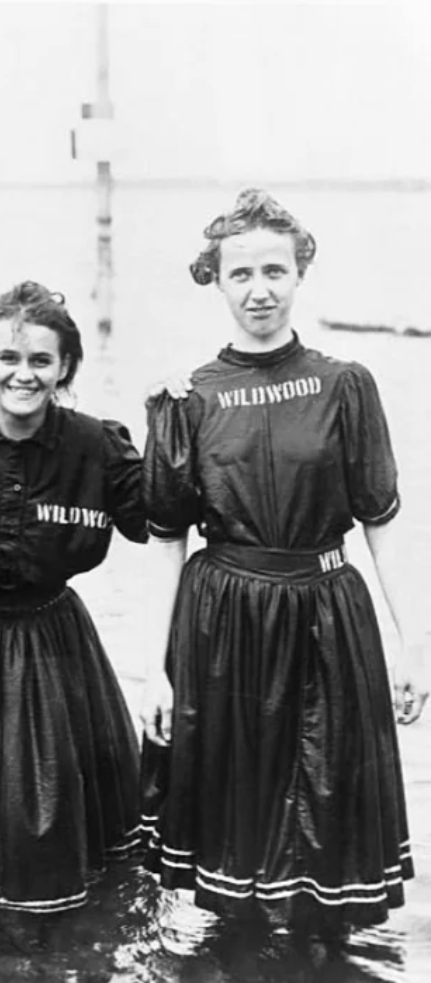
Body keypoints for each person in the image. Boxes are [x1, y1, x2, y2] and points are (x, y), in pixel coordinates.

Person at [139, 189, 427, 937]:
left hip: (327, 611)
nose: (259, 289)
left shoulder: (345, 385)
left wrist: (416, 646)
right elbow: (168, 537)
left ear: (300, 273)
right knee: (234, 853)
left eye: (275, 270)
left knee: (327, 821)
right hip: (224, 617)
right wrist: (153, 667)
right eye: (241, 274)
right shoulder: (189, 395)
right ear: (217, 279)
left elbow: (383, 523)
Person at [0, 281, 147, 926]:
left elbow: (165, 513)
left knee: (51, 798)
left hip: (54, 640)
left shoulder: (96, 445)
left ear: (65, 368)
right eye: (9, 358)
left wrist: (182, 415)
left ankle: (59, 926)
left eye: (41, 361)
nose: (24, 374)